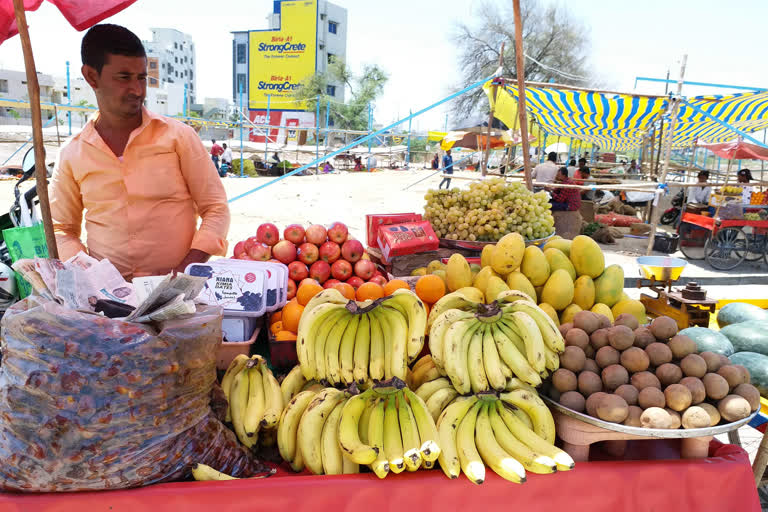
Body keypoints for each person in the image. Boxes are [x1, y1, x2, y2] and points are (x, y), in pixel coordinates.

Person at [50, 24, 230, 279]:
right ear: (91, 76)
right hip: (107, 301)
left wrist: (183, 273)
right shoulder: (72, 152)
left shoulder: (179, 137)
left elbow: (216, 208)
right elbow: (61, 229)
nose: (137, 90)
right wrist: (92, 275)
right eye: (124, 78)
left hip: (178, 294)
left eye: (142, 77)